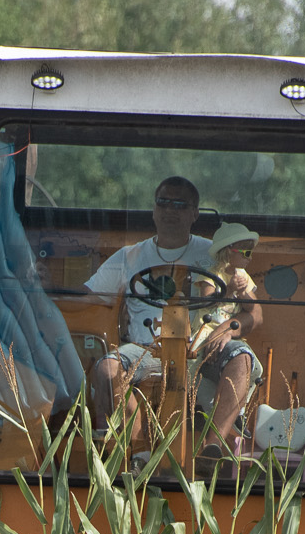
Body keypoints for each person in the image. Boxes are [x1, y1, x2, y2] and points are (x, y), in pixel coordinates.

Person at [85, 176, 214, 437]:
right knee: (106, 370)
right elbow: (88, 295)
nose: (170, 210)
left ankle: (212, 448)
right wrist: (42, 286)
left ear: (195, 213)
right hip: (144, 350)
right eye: (163, 202)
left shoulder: (212, 253)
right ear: (154, 211)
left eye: (179, 205)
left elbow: (250, 308)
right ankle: (136, 446)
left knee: (237, 362)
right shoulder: (129, 256)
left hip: (198, 352)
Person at [189, 222, 267, 459]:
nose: (249, 258)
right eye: (245, 252)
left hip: (229, 336)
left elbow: (254, 310)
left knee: (247, 361)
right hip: (205, 333)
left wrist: (243, 293)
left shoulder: (244, 277)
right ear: (228, 251)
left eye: (251, 252)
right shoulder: (211, 273)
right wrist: (230, 290)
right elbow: (207, 300)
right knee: (198, 371)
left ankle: (235, 414)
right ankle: (213, 416)